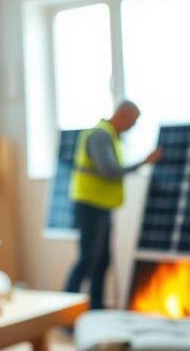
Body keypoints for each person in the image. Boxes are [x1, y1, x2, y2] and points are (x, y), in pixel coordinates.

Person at [63, 102, 162, 310]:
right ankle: (64, 312)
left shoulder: (111, 136)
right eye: (133, 122)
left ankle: (97, 308)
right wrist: (143, 163)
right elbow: (109, 170)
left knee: (102, 260)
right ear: (123, 115)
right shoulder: (100, 135)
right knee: (88, 259)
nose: (133, 127)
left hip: (101, 206)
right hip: (90, 205)